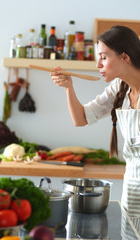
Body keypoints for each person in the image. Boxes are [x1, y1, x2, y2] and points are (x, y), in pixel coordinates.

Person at [50, 25, 140, 218]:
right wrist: (68, 87)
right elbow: (81, 119)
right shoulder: (119, 87)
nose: (98, 65)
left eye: (104, 57)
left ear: (125, 57)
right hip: (132, 188)